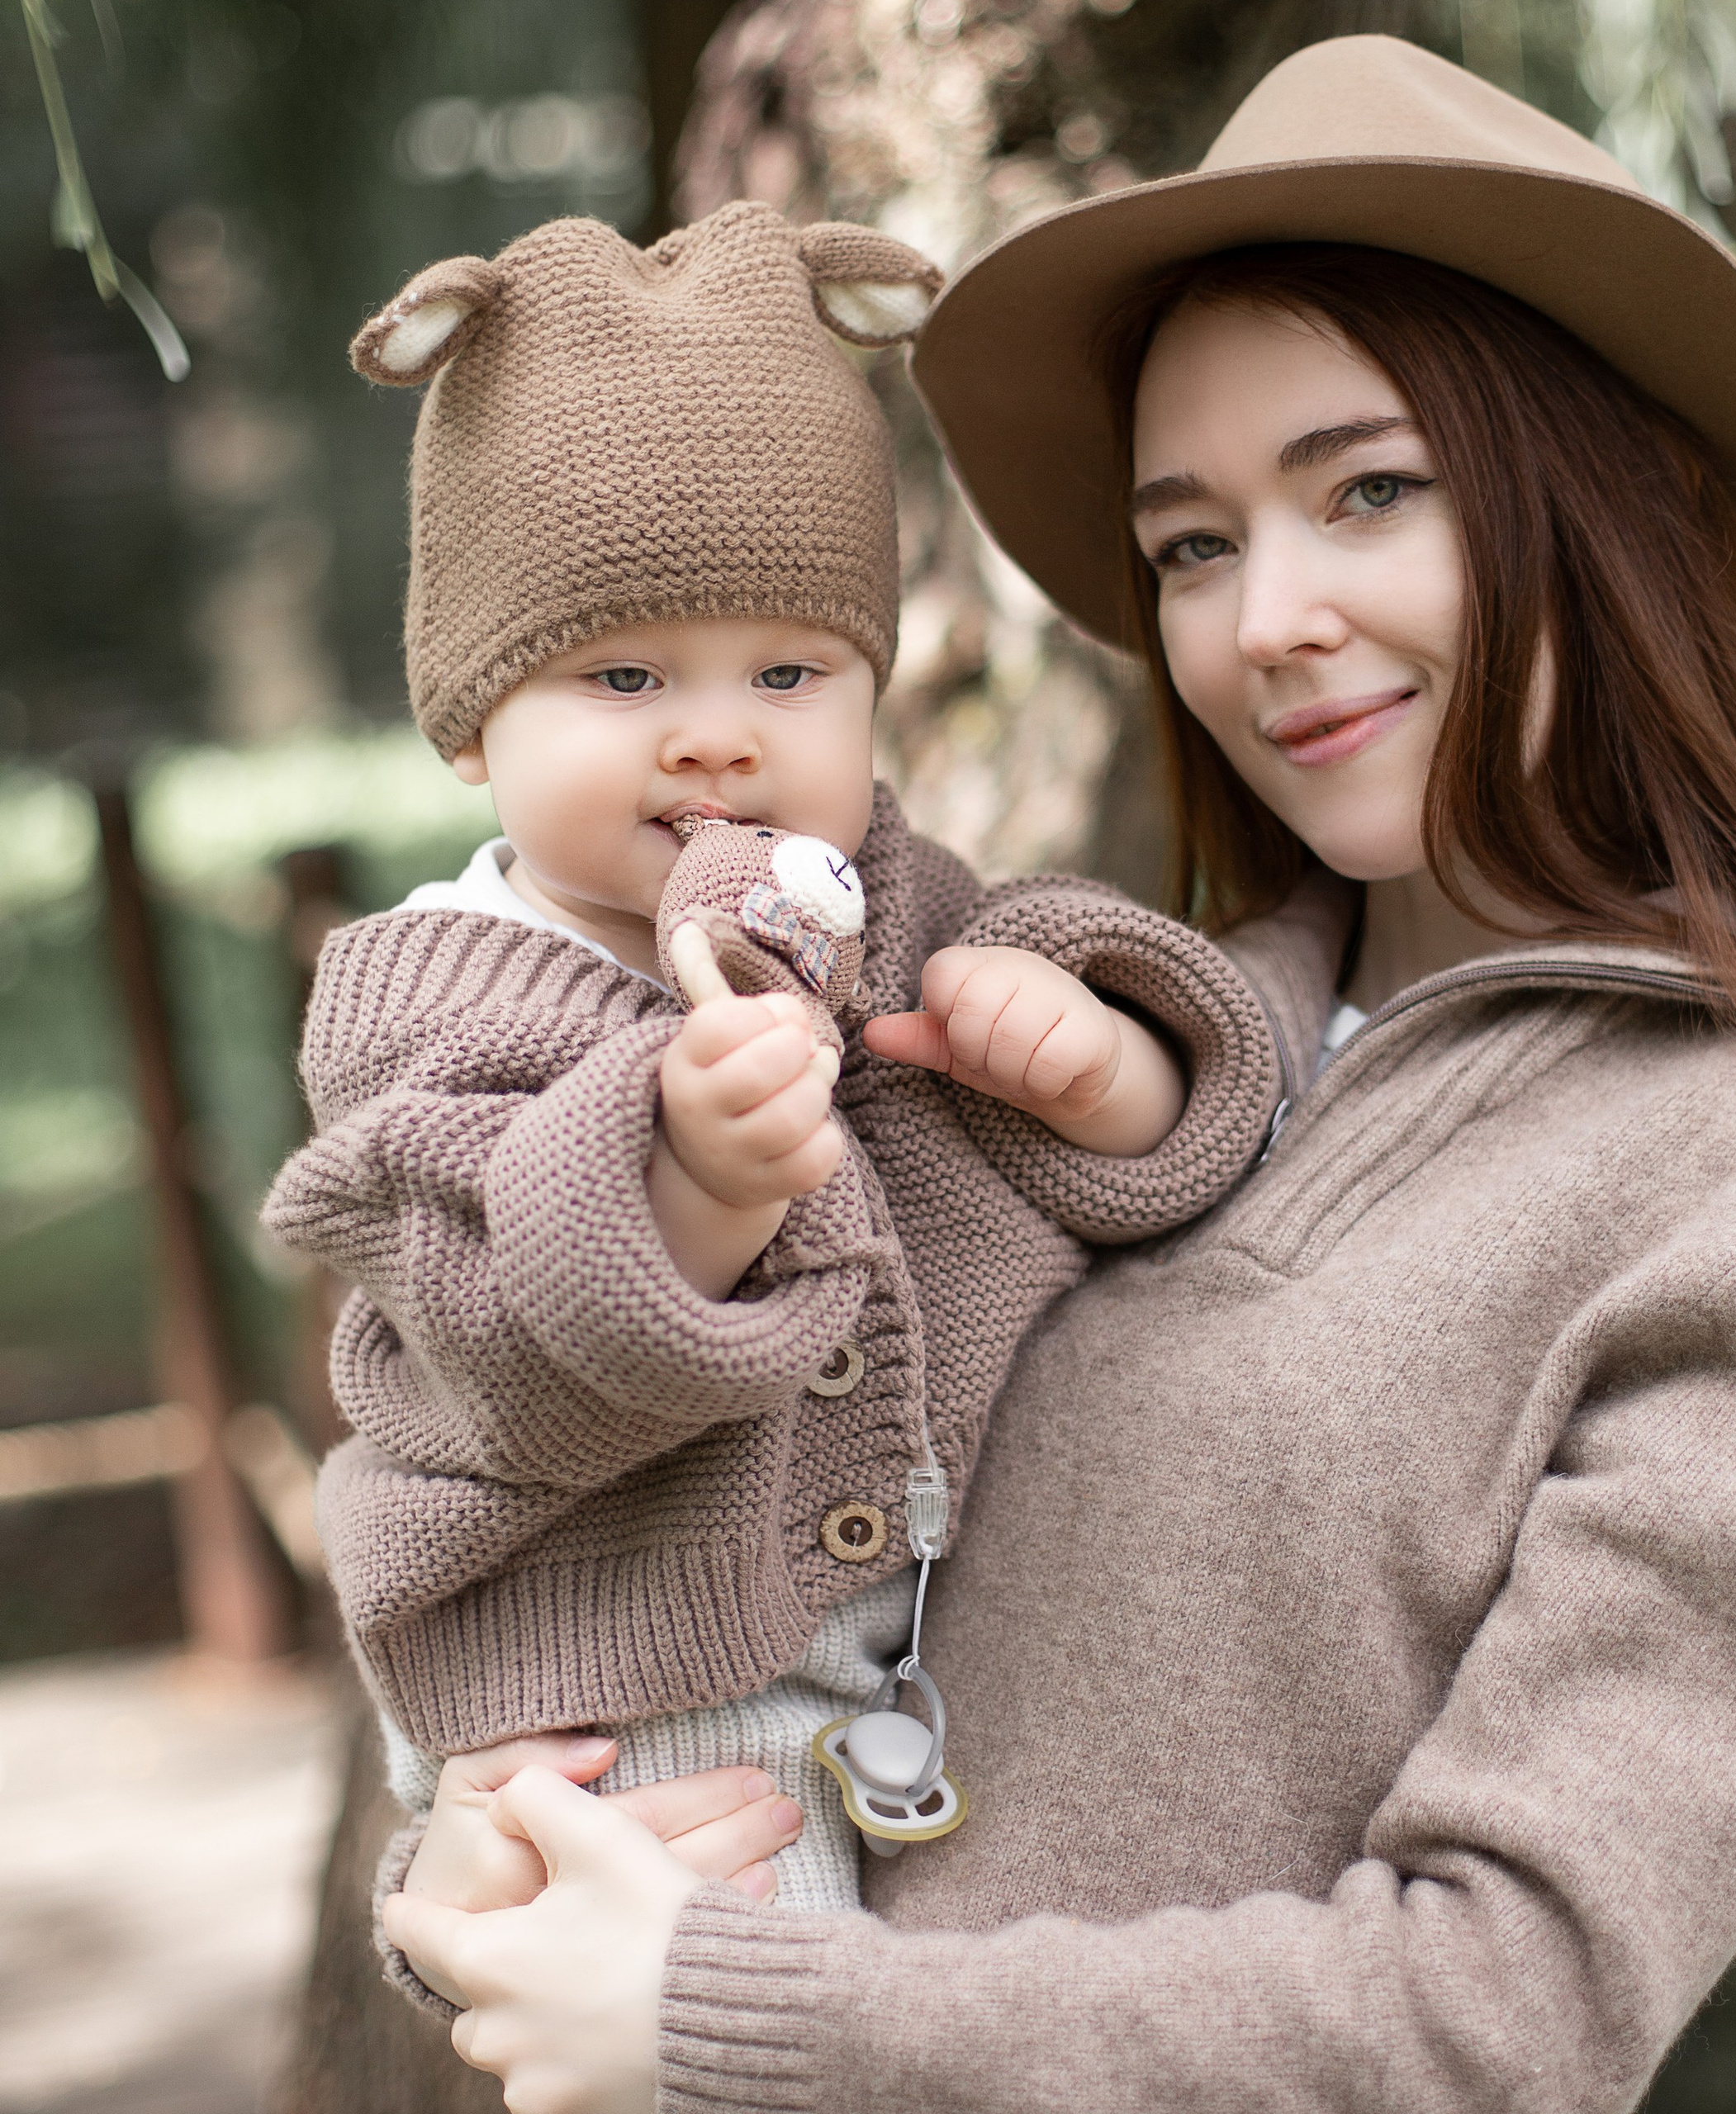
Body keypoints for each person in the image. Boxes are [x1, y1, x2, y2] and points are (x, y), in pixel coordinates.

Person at [381, 37, 1736, 2113]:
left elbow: (1496, 2018)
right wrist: (490, 1864)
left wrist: (737, 2020)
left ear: (1635, 499)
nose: (1268, 621)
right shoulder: (1071, 1055)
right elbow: (668, 1510)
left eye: (1368, 492)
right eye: (1191, 543)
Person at [260, 199, 1283, 1967]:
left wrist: (1091, 1059)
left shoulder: (893, 899)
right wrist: (691, 1175)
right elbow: (495, 1333)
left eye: (789, 670)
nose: (715, 733)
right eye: (624, 672)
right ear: (468, 716)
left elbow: (1176, 1143)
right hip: (624, 1671)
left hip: (906, 1644)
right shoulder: (428, 1000)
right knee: (735, 2023)